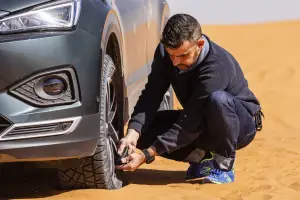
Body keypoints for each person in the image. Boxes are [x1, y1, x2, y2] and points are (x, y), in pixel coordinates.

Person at [116, 13, 263, 184]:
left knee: (218, 100)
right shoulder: (166, 54)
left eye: (183, 55)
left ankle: (224, 164)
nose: (175, 62)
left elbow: (190, 122)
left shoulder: (216, 67)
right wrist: (133, 133)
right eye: (171, 55)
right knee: (145, 131)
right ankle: (203, 159)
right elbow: (151, 95)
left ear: (199, 44)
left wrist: (148, 153)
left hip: (239, 125)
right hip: (200, 121)